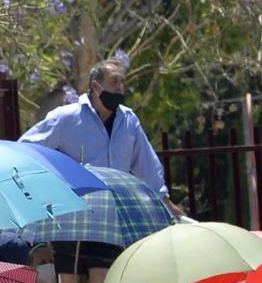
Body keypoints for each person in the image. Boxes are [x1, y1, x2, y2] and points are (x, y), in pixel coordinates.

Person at [20, 59, 168, 204]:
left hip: (119, 208)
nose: (120, 86)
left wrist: (164, 200)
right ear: (96, 87)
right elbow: (26, 151)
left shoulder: (129, 120)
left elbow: (147, 166)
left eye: (122, 81)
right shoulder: (65, 118)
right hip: (81, 211)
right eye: (114, 81)